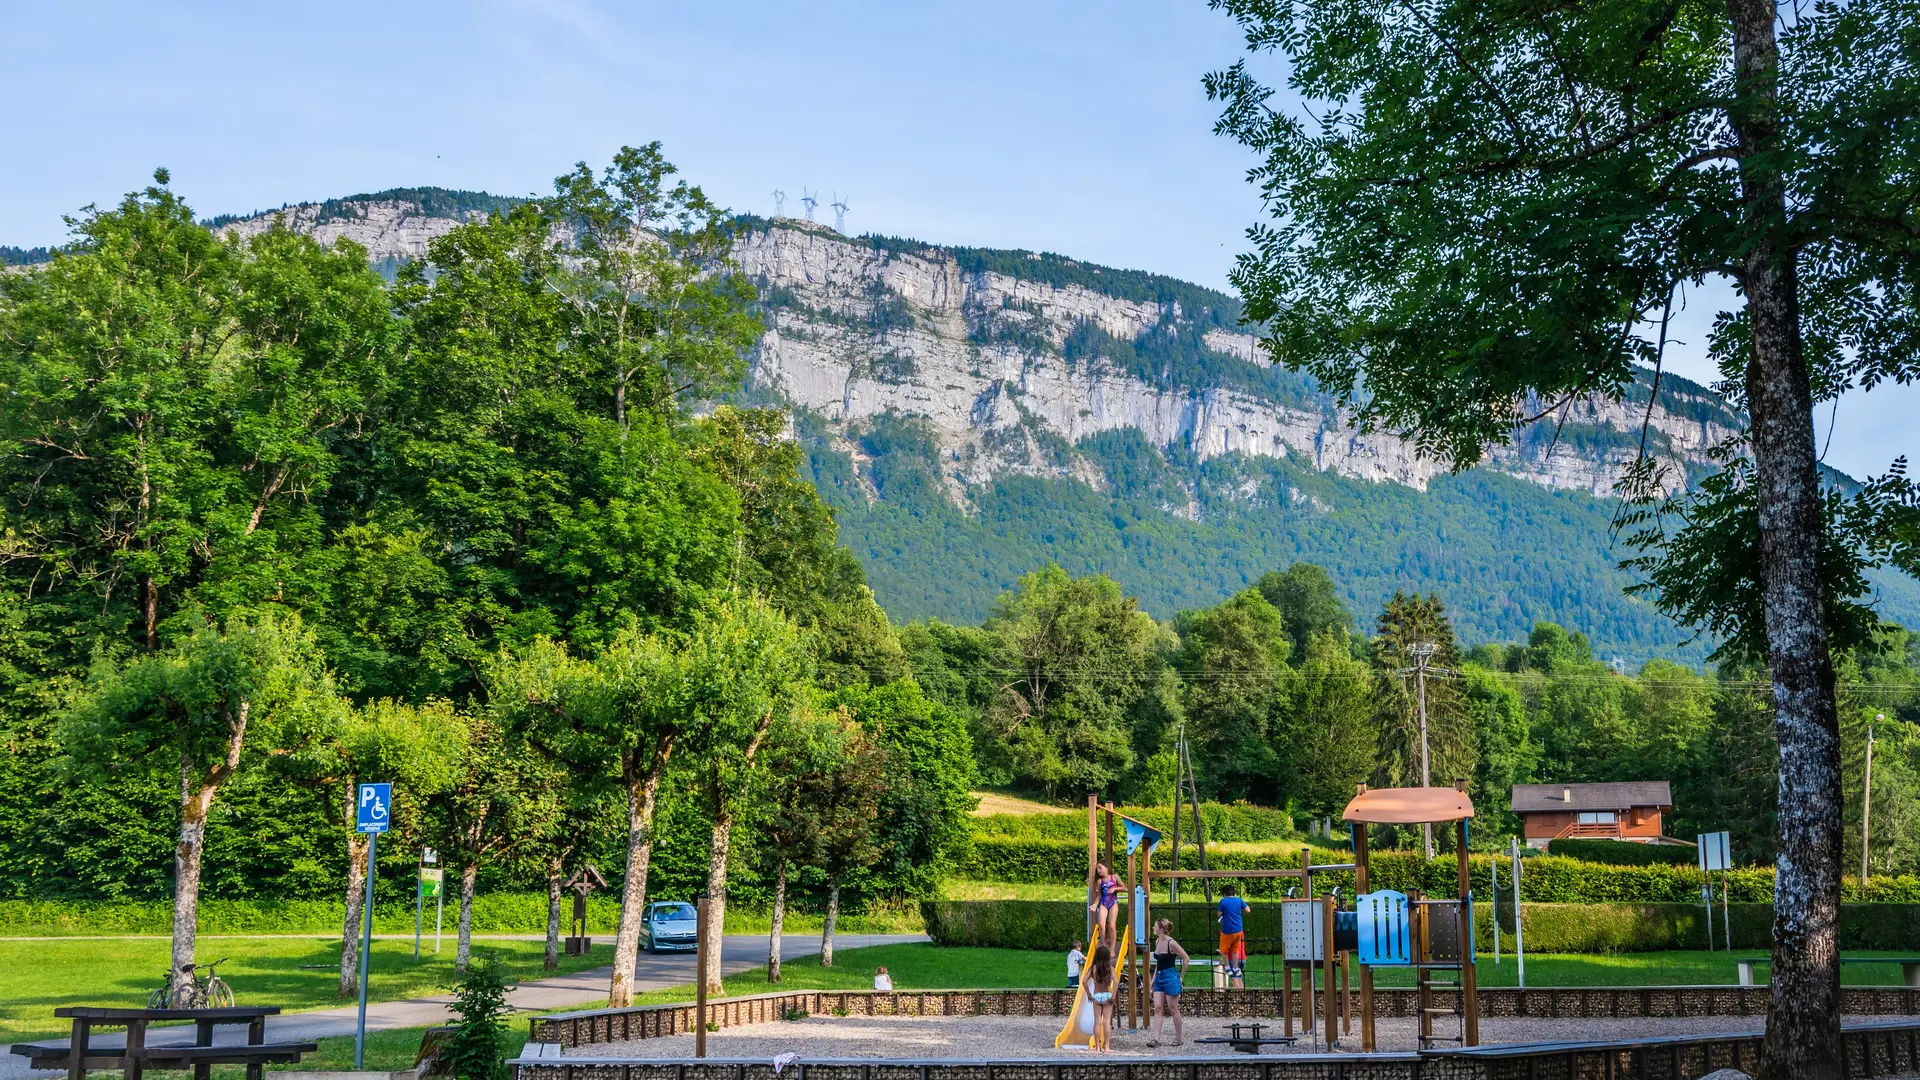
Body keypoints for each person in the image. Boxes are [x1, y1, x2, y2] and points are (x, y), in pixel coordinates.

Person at [1146, 918, 1189, 1048]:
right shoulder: (1158, 941)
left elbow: (1186, 958)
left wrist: (1181, 978)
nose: (1153, 928)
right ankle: (1156, 1039)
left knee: (1173, 1008)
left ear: (1161, 928)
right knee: (1158, 1007)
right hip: (1159, 977)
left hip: (1170, 977)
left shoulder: (1171, 943)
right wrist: (1153, 979)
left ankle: (1178, 1038)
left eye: (1155, 926)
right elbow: (1159, 964)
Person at [1217, 882, 1253, 989]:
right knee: (1238, 975)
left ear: (1224, 894)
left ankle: (1228, 966)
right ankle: (1236, 968)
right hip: (1241, 953)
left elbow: (1219, 914)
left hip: (1228, 934)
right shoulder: (1239, 900)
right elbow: (1248, 910)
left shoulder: (1223, 901)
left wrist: (1223, 914)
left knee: (1223, 950)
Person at [1085, 944, 1117, 1052]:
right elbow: (1116, 981)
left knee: (1097, 1022)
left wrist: (1089, 994)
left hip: (1097, 996)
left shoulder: (1093, 968)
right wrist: (1113, 996)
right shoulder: (1110, 969)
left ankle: (1097, 1048)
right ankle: (1107, 1047)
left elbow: (1084, 981)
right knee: (1107, 1022)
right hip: (1107, 995)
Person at [1088, 862, 1120, 947]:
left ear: (1106, 868)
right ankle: (1105, 944)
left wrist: (1115, 888)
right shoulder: (1099, 881)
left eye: (1100, 868)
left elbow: (1124, 888)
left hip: (1113, 903)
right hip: (1104, 903)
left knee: (1112, 925)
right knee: (1101, 924)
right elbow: (1099, 895)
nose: (1098, 870)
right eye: (1097, 869)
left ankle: (1112, 948)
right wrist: (1094, 905)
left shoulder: (1115, 877)